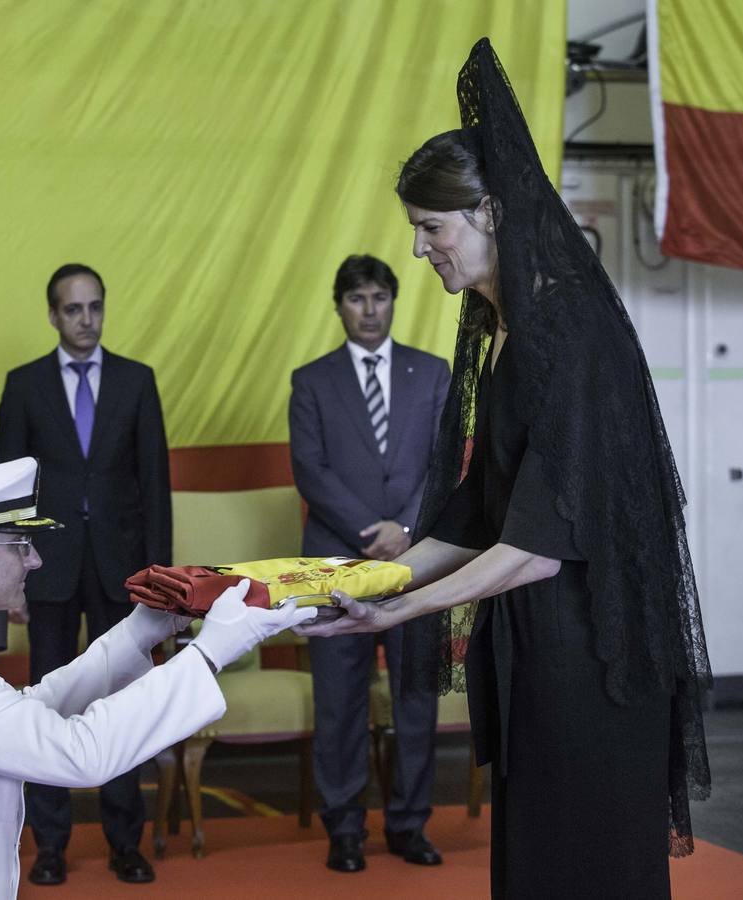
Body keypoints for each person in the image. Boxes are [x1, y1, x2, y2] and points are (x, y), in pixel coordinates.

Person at [295, 39, 712, 899]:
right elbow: (478, 511)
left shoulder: (568, 332)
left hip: (595, 663)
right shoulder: (508, 331)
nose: (419, 252)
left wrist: (406, 606)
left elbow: (538, 546)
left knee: (584, 872)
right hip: (541, 649)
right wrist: (374, 583)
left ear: (489, 212)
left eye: (430, 228)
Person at [0, 458, 315, 898]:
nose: (36, 560)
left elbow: (26, 715)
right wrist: (210, 653)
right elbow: (78, 754)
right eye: (20, 544)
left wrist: (134, 638)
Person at [0, 262, 172, 885]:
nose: (86, 319)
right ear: (52, 315)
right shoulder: (23, 385)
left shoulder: (135, 380)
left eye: (95, 306)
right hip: (48, 569)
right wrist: (9, 577)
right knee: (47, 705)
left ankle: (126, 840)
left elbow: (155, 484)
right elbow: (9, 494)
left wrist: (162, 584)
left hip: (122, 570)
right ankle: (49, 845)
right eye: (73, 309)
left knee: (122, 702)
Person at [288, 254, 448, 872]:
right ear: (339, 306)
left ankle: (409, 824)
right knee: (340, 700)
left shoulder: (432, 373)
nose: (370, 309)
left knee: (415, 696)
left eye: (380, 297)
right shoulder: (312, 380)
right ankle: (345, 828)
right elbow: (310, 469)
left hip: (417, 560)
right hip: (334, 562)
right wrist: (368, 531)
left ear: (393, 301)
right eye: (357, 299)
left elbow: (442, 463)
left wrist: (404, 528)